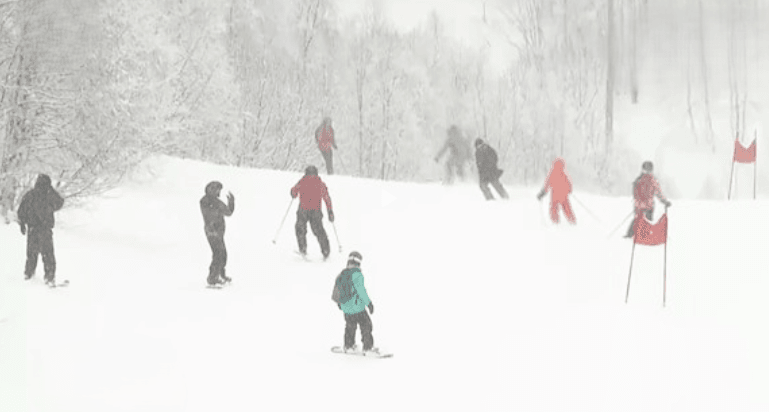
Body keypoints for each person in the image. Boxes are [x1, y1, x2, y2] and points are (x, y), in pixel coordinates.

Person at [17, 174, 64, 287]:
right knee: (48, 255)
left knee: (31, 254)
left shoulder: (30, 195)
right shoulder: (49, 194)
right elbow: (60, 202)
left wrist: (22, 224)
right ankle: (49, 277)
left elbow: (21, 211)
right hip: (45, 229)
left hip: (32, 229)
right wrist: (51, 190)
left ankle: (28, 274)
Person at [331, 251, 378, 354]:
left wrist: (340, 303)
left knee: (350, 326)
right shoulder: (357, 274)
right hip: (357, 308)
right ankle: (368, 347)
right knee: (366, 325)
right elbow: (361, 292)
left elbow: (336, 290)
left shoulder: (342, 274)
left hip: (346, 308)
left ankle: (348, 345)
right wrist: (369, 304)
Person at [291, 165, 334, 259]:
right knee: (319, 231)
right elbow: (327, 198)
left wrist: (293, 194)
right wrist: (330, 211)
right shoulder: (320, 183)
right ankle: (325, 250)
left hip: (303, 210)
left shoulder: (302, 181)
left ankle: (303, 248)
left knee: (300, 229)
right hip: (316, 211)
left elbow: (294, 191)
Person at [200, 181, 235, 286]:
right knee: (217, 254)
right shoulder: (205, 201)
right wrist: (217, 211)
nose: (219, 192)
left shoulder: (217, 202)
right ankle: (213, 277)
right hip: (212, 232)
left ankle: (220, 274)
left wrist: (231, 202)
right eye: (217, 189)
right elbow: (209, 214)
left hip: (219, 232)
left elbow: (228, 212)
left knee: (223, 253)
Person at [624, 161, 671, 238]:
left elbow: (658, 192)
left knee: (645, 221)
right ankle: (632, 235)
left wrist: (664, 201)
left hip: (646, 206)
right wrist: (639, 200)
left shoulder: (650, 180)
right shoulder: (641, 180)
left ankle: (642, 236)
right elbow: (635, 193)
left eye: (649, 169)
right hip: (642, 205)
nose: (647, 171)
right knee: (639, 221)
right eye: (646, 169)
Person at [537, 157, 576, 224]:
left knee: (553, 208)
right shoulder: (563, 174)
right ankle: (572, 220)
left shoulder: (552, 173)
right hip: (563, 196)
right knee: (566, 208)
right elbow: (568, 183)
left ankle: (555, 221)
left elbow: (547, 185)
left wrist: (542, 193)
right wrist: (569, 190)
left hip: (555, 195)